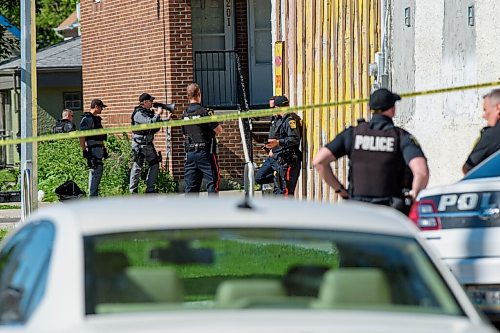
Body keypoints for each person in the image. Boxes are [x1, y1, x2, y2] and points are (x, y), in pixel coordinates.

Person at [313, 88, 429, 213]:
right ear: (392, 110)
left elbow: (319, 162)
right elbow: (421, 172)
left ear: (370, 109)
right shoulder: (401, 137)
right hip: (391, 212)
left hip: (358, 211)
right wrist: (412, 196)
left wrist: (341, 191)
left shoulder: (352, 134)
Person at [182, 83, 222, 195]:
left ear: (188, 96)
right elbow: (219, 130)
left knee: (191, 188)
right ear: (199, 94)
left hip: (190, 153)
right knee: (213, 183)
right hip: (205, 153)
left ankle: (191, 211)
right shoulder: (205, 112)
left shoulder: (185, 114)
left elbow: (184, 135)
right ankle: (212, 211)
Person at [129, 93, 171, 194]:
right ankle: (133, 191)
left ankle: (150, 189)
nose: (152, 103)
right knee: (138, 166)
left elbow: (155, 122)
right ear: (145, 102)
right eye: (150, 101)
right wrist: (158, 113)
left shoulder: (148, 112)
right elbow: (149, 123)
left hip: (148, 144)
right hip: (139, 144)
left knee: (155, 164)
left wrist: (166, 119)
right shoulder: (138, 114)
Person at [264, 95, 302, 196]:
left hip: (289, 160)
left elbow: (294, 139)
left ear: (277, 107)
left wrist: (278, 142)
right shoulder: (280, 119)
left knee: (286, 192)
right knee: (281, 190)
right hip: (282, 160)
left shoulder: (290, 119)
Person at [462, 89, 500, 174]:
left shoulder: (492, 135)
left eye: (485, 110)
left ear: (498, 108)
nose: (484, 116)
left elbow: (468, 168)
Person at [80, 99, 108, 197]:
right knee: (96, 172)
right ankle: (93, 197)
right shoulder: (87, 119)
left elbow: (100, 137)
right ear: (96, 106)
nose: (102, 109)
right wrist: (84, 150)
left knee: (96, 172)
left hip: (99, 148)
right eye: (101, 107)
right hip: (93, 149)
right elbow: (82, 136)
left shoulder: (96, 119)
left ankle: (93, 196)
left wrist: (104, 149)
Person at [255, 96, 278, 191]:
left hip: (278, 155)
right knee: (259, 177)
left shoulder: (284, 120)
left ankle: (279, 179)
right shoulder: (274, 118)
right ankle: (278, 178)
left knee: (279, 188)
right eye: (270, 107)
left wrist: (274, 148)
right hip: (271, 155)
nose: (271, 109)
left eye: (273, 107)